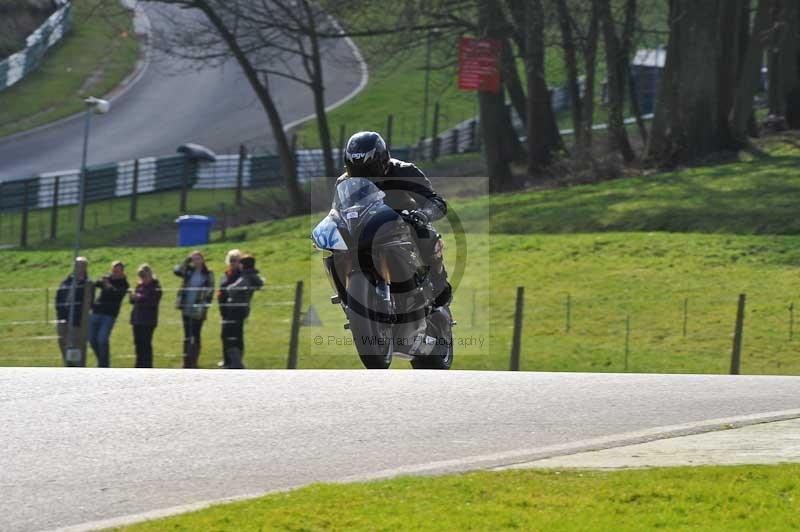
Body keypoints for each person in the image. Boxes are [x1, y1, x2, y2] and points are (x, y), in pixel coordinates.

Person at [340, 131, 451, 307]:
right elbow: (338, 210)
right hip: (364, 230)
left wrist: (423, 214)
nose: (364, 176)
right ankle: (345, 294)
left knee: (426, 234)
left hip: (403, 224)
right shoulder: (343, 183)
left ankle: (438, 284)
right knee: (334, 249)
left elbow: (435, 201)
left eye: (368, 169)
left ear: (383, 161)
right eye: (357, 171)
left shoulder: (404, 171)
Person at [219, 254, 264, 369]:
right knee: (236, 334)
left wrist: (229, 290)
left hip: (235, 309)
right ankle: (235, 361)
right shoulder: (253, 277)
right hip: (242, 309)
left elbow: (231, 288)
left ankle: (235, 363)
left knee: (228, 334)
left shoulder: (246, 277)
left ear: (243, 265)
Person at [174, 250, 214, 369]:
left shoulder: (208, 273)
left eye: (198, 258)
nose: (196, 261)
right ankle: (186, 362)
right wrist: (186, 260)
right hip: (186, 306)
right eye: (194, 259)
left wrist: (205, 308)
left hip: (199, 309)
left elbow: (210, 292)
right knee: (187, 334)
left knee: (196, 334)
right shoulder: (188, 270)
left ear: (202, 260)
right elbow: (177, 271)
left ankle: (194, 361)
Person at [88, 260, 129, 368]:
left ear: (122, 272)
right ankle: (102, 362)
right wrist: (100, 281)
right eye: (114, 271)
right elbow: (94, 284)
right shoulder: (108, 279)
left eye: (117, 272)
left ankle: (104, 366)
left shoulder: (124, 284)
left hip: (109, 316)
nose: (115, 274)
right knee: (91, 339)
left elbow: (115, 294)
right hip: (96, 312)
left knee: (102, 340)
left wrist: (107, 284)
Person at [54, 257, 94, 367]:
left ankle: (79, 371)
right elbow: (58, 298)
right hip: (63, 320)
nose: (79, 268)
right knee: (64, 345)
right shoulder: (66, 282)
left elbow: (89, 304)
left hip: (78, 324)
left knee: (78, 349)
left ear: (85, 268)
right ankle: (68, 368)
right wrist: (60, 315)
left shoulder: (88, 284)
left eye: (81, 266)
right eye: (77, 265)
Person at [129, 264, 162, 368]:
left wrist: (138, 297)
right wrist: (132, 296)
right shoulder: (140, 285)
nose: (142, 278)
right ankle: (139, 366)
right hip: (137, 319)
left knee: (146, 344)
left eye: (144, 276)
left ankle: (147, 366)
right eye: (141, 276)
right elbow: (132, 301)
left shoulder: (156, 287)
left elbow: (152, 303)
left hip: (148, 321)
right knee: (137, 344)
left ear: (149, 275)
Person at [217, 249, 242, 368]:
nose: (233, 263)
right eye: (231, 260)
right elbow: (220, 291)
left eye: (235, 260)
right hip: (225, 310)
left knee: (237, 335)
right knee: (224, 335)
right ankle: (226, 360)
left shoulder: (241, 275)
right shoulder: (226, 274)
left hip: (237, 310)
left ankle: (236, 361)